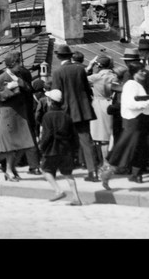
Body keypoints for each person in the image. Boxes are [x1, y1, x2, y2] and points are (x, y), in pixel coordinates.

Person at [51, 44, 99, 182]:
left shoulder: (57, 72)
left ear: (58, 56)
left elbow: (56, 94)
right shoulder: (80, 70)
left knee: (62, 140)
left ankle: (63, 168)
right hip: (83, 109)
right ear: (70, 55)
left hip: (66, 111)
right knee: (86, 140)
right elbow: (87, 89)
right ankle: (93, 171)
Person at [100, 61, 149, 189]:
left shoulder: (137, 85)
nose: (144, 73)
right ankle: (106, 174)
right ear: (135, 73)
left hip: (140, 121)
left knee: (139, 148)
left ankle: (136, 174)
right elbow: (130, 104)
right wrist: (147, 104)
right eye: (141, 71)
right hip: (133, 121)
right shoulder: (130, 85)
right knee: (124, 149)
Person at [0, 52, 40, 181]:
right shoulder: (2, 77)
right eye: (18, 63)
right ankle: (9, 170)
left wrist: (21, 83)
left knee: (26, 143)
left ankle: (10, 168)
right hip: (8, 115)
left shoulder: (20, 75)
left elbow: (29, 89)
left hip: (21, 114)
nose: (20, 65)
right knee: (11, 146)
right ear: (12, 64)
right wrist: (9, 89)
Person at [38, 89, 83, 205]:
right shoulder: (66, 116)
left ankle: (58, 190)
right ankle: (76, 198)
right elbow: (74, 135)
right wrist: (75, 150)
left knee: (46, 170)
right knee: (68, 174)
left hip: (52, 148)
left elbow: (47, 135)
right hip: (66, 148)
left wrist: (42, 147)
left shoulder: (47, 116)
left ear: (50, 102)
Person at [86, 54, 118, 164]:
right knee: (111, 135)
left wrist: (89, 67)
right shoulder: (115, 76)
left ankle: (105, 162)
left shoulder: (95, 77)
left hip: (99, 105)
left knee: (102, 138)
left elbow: (78, 78)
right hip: (112, 103)